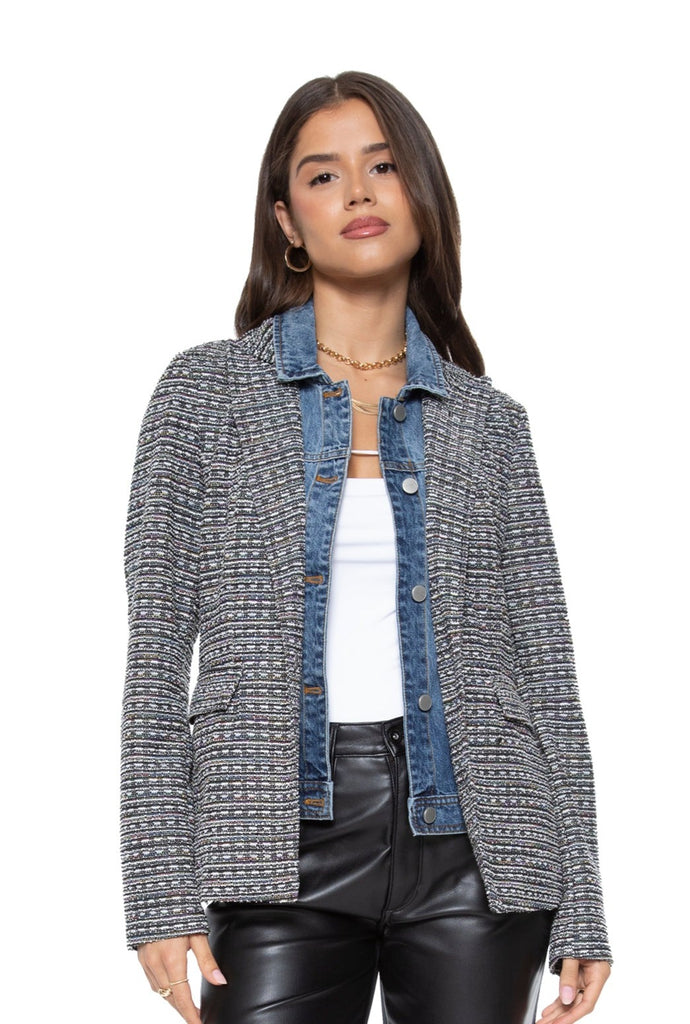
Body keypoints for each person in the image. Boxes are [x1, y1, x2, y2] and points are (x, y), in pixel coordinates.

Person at [121, 71, 612, 1024]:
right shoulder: (204, 394)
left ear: (421, 194)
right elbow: (155, 656)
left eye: (383, 166)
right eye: (323, 175)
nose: (357, 191)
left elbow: (547, 670)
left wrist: (585, 900)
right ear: (287, 222)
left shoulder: (491, 423)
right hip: (272, 841)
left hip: (479, 848)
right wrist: (159, 889)